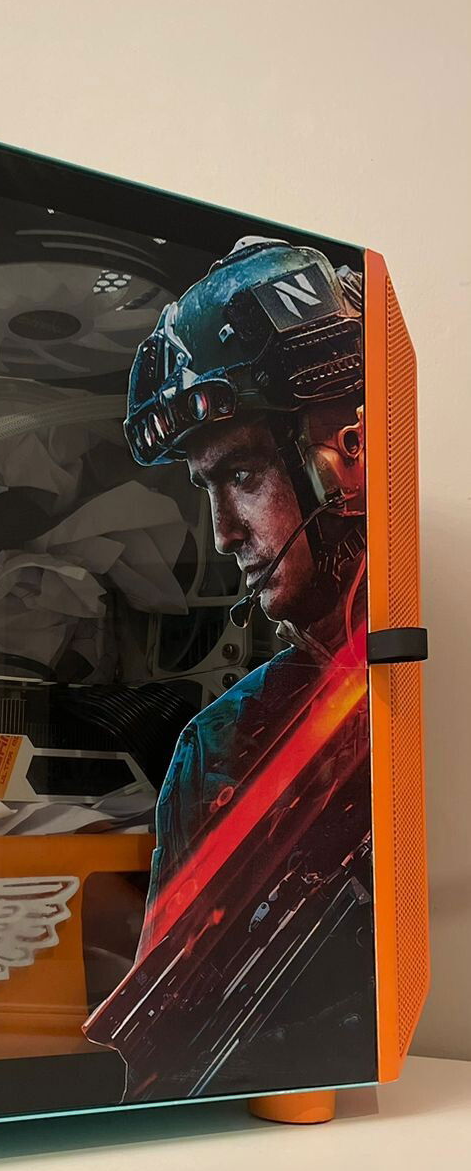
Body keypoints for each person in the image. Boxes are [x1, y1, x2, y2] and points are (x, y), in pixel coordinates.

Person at [86, 237, 376, 1097]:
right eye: (206, 489)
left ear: (349, 453)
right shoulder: (218, 747)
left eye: (243, 475)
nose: (222, 534)